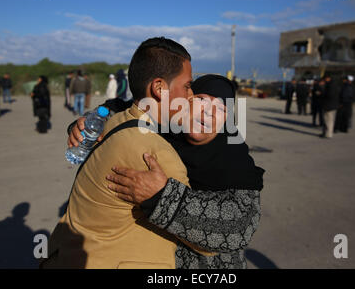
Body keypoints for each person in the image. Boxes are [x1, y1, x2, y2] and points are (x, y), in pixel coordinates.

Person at [42, 37, 197, 269]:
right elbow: (203, 236)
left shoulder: (113, 122)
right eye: (186, 85)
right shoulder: (155, 153)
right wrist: (163, 197)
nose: (191, 95)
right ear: (159, 88)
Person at [105, 75, 264, 269]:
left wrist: (160, 197)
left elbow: (239, 228)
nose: (210, 112)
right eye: (202, 99)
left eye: (222, 108)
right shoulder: (164, 131)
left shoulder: (234, 159)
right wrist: (92, 119)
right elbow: (122, 108)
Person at [320, 74, 339, 139]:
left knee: (328, 120)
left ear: (328, 78)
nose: (324, 80)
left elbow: (329, 95)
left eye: (325, 79)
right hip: (331, 105)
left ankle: (328, 134)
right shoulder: (333, 84)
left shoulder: (330, 85)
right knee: (327, 120)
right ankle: (326, 133)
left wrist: (322, 93)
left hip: (329, 105)